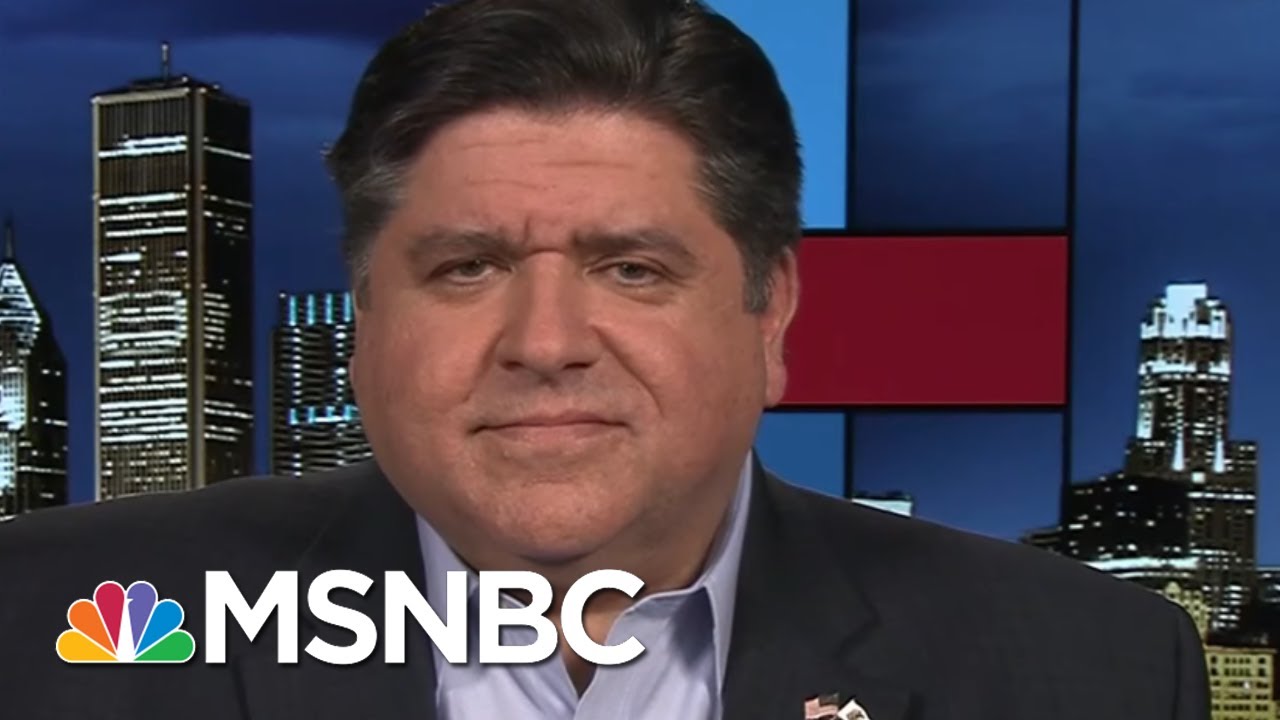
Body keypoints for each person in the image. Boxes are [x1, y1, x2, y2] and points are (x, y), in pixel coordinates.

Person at [0, 0, 1210, 718]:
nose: (543, 344)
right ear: (364, 322)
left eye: (631, 269)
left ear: (769, 314)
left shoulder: (1084, 670)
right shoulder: (43, 625)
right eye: (464, 268)